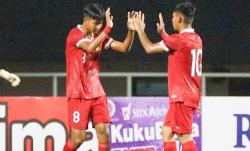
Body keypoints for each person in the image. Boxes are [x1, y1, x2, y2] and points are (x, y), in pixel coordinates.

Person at [63, 3, 135, 151]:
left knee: (104, 134)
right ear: (86, 20)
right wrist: (107, 28)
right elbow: (90, 48)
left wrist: (131, 31)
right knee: (78, 139)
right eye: (96, 23)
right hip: (78, 93)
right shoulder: (74, 35)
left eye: (101, 23)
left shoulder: (99, 36)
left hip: (97, 92)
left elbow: (124, 47)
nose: (99, 26)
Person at [132, 1, 202, 151]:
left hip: (182, 97)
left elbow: (149, 48)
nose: (171, 20)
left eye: (172, 17)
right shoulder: (196, 39)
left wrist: (139, 29)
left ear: (180, 19)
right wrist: (163, 33)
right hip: (189, 95)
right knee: (167, 132)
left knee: (185, 136)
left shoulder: (179, 40)